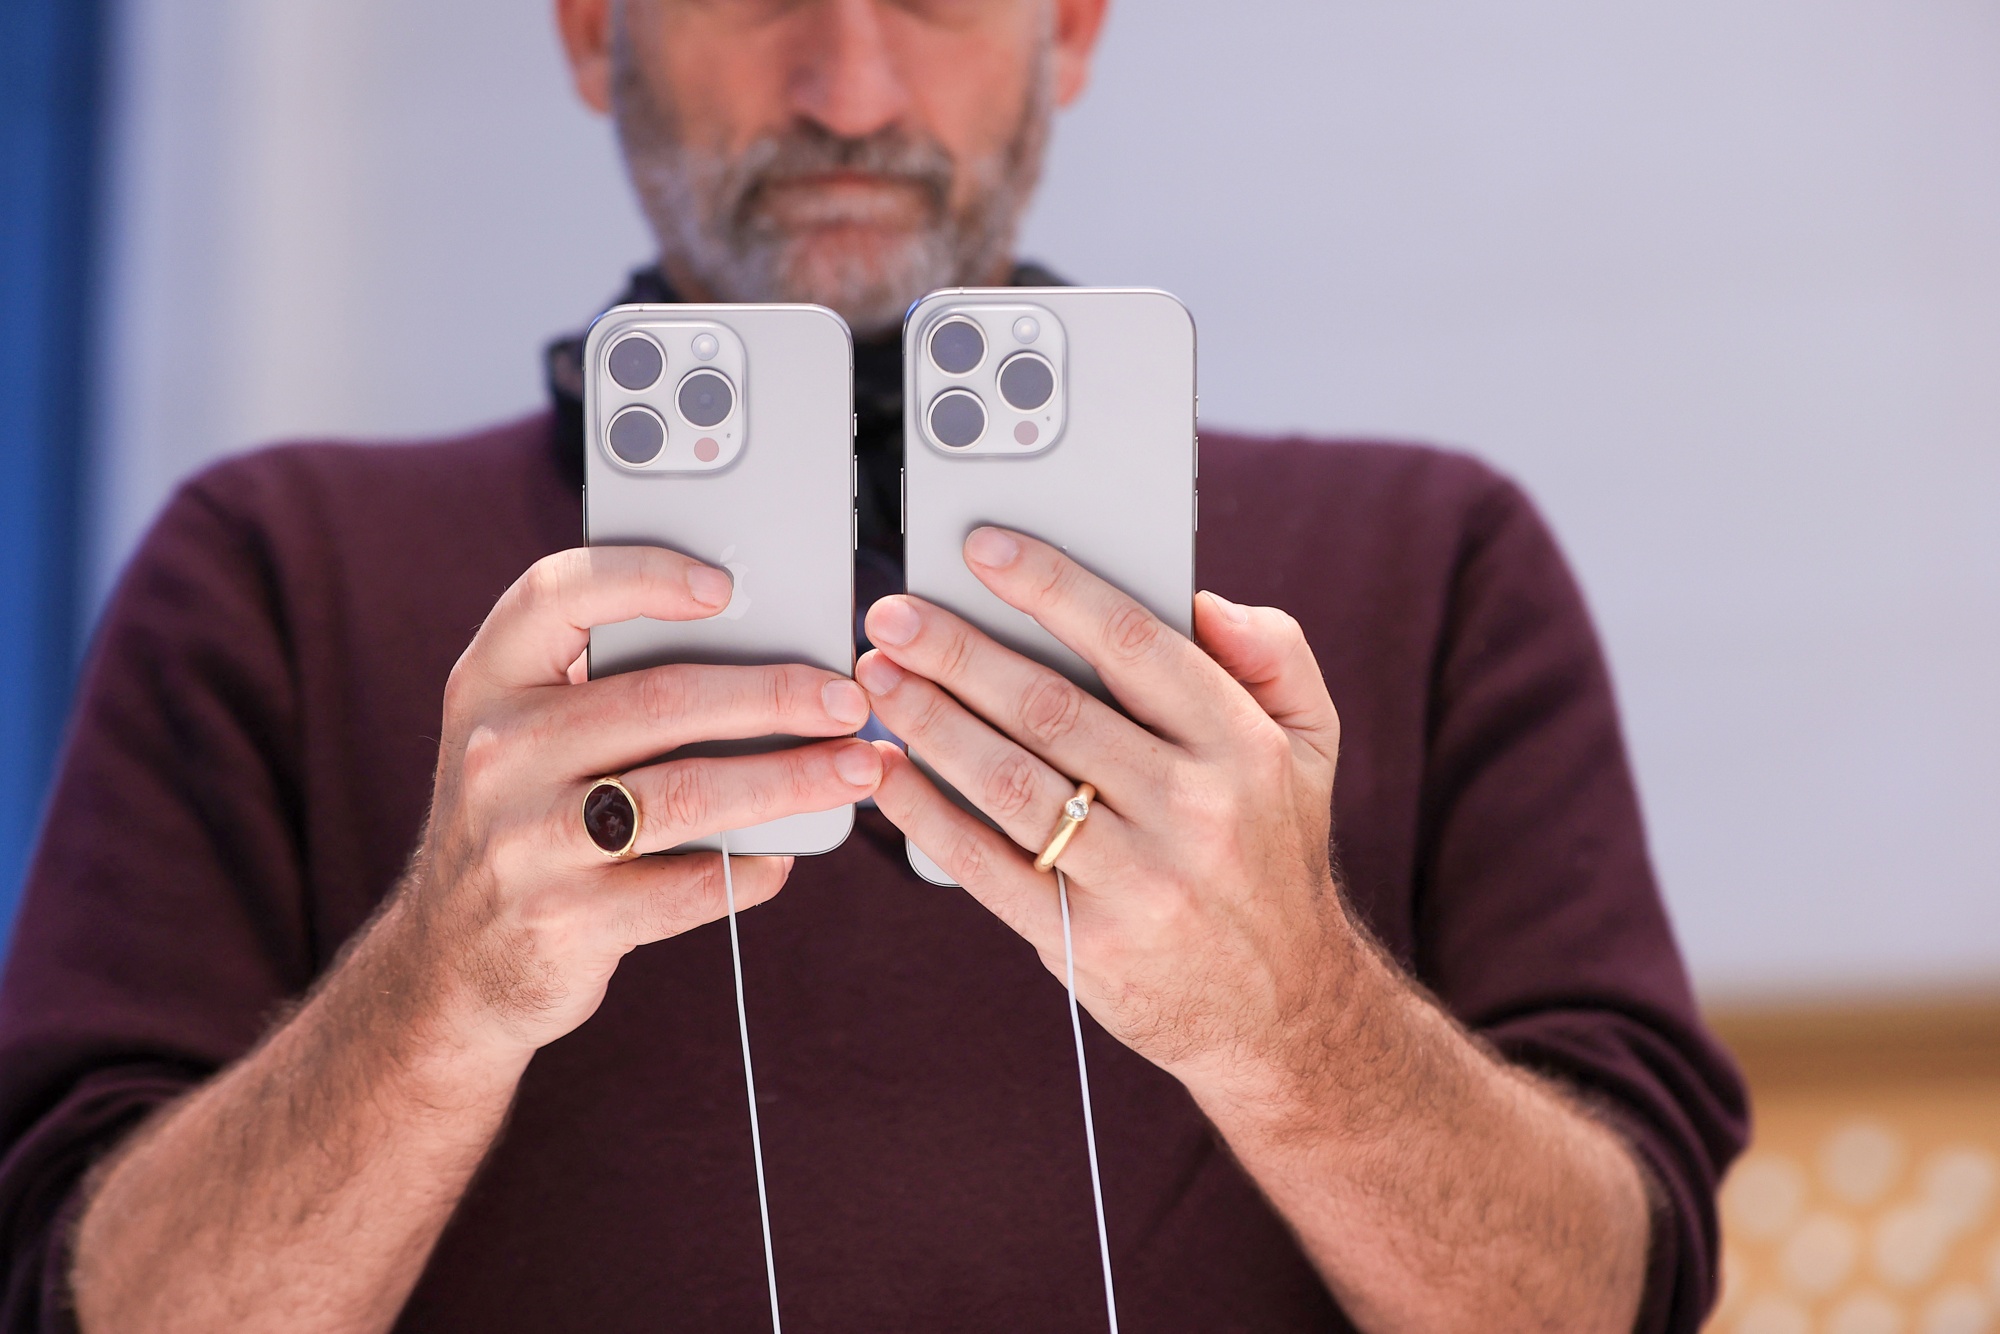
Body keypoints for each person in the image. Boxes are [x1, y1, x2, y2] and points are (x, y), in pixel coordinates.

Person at [0, 0, 1747, 1330]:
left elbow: (1616, 1298)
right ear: (594, 31)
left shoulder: (1437, 557)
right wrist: (438, 991)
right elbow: (87, 1300)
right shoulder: (268, 568)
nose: (849, 89)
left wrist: (1291, 1017)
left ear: (1068, 29)